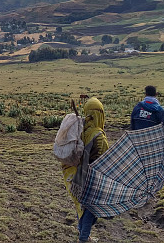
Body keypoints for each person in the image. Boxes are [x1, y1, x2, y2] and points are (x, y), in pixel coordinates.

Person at [62, 97, 109, 243]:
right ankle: (83, 238)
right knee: (92, 209)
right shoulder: (98, 134)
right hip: (92, 177)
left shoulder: (80, 129)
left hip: (77, 175)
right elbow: (102, 158)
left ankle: (84, 235)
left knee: (81, 206)